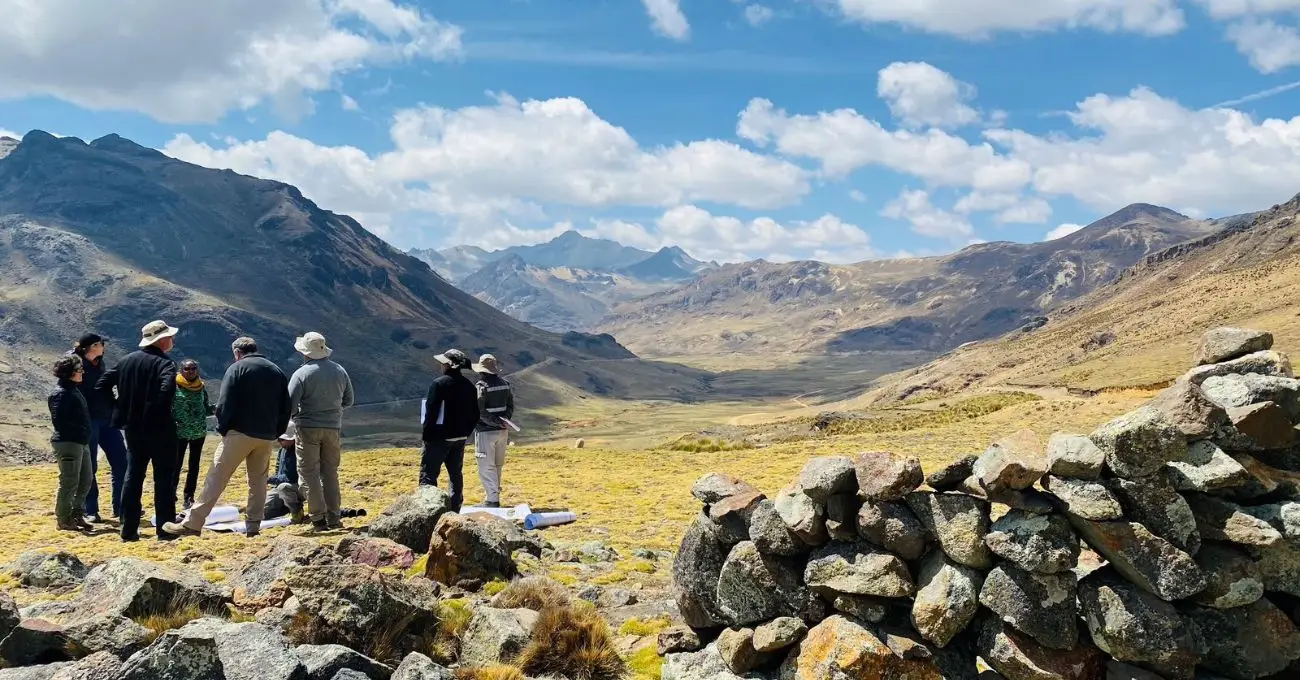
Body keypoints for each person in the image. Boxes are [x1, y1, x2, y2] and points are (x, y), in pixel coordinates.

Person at [163, 337, 290, 539]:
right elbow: (286, 405)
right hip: (266, 435)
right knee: (258, 482)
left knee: (216, 477)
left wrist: (223, 428)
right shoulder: (276, 370)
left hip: (239, 433)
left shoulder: (237, 368)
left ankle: (193, 524)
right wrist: (276, 431)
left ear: (237, 353)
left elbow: (225, 402)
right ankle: (253, 526)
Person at [96, 320, 180, 542]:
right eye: (170, 337)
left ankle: (128, 529)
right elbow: (167, 389)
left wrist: (117, 407)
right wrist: (156, 411)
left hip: (132, 428)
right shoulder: (166, 364)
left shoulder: (126, 361)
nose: (172, 339)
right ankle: (165, 530)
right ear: (161, 340)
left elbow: (102, 384)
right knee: (164, 479)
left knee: (133, 477)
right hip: (161, 429)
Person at [287, 332, 355, 531]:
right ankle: (334, 517)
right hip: (333, 427)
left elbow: (290, 405)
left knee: (309, 473)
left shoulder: (301, 374)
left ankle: (318, 517)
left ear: (305, 352)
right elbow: (349, 400)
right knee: (330, 473)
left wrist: (299, 414)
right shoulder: (340, 370)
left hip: (307, 428)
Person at [70, 334, 128, 523]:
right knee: (89, 467)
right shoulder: (74, 363)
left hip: (107, 419)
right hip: (87, 421)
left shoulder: (99, 363)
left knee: (122, 462)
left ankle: (121, 507)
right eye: (102, 344)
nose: (104, 347)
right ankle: (91, 510)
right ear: (93, 346)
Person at [421, 349, 479, 511]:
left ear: (447, 365)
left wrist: (427, 435)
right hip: (459, 437)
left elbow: (431, 412)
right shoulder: (469, 386)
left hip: (439, 438)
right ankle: (454, 509)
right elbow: (475, 414)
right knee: (455, 474)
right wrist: (465, 433)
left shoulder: (439, 384)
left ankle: (428, 510)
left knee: (429, 475)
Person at [49, 355, 93, 532]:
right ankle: (63, 519)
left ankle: (77, 514)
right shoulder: (60, 394)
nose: (82, 372)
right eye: (79, 370)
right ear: (70, 373)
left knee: (85, 480)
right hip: (68, 442)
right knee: (69, 481)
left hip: (81, 442)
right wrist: (80, 431)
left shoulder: (73, 389)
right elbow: (60, 421)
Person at [472, 354, 514, 509]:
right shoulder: (505, 384)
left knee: (486, 465)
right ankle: (493, 495)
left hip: (486, 431)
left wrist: (494, 422)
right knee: (497, 465)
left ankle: (492, 500)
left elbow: (480, 411)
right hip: (503, 431)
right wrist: (504, 420)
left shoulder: (481, 386)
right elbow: (510, 406)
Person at [173, 359, 213, 509]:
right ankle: (171, 494)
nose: (191, 371)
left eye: (194, 368)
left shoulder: (201, 387)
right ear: (181, 371)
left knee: (194, 466)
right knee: (176, 465)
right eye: (187, 369)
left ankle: (189, 496)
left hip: (198, 432)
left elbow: (206, 407)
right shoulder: (174, 386)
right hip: (179, 433)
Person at [266, 420, 298, 487]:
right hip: (280, 483)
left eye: (282, 439)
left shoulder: (298, 453)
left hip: (294, 485)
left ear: (292, 439)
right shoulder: (282, 450)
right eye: (278, 439)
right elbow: (278, 468)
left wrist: (269, 479)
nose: (279, 442)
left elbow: (290, 478)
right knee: (269, 497)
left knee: (284, 487)